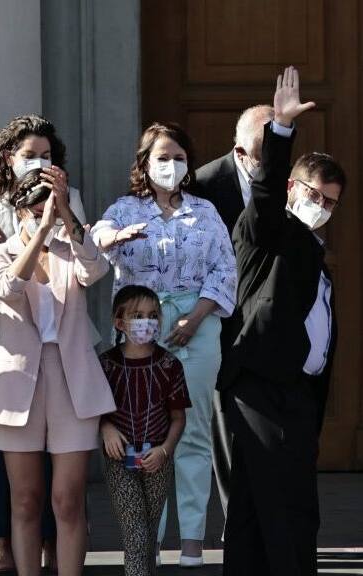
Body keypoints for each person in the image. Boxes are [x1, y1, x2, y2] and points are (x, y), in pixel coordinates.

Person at [92, 122, 236, 567]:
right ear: (144, 163)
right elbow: (95, 241)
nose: (170, 165)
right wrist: (112, 238)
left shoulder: (205, 212)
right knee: (142, 429)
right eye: (161, 157)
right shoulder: (123, 209)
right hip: (141, 325)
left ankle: (192, 539)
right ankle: (146, 540)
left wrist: (195, 318)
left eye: (177, 157)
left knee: (190, 432)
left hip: (197, 324)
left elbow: (225, 270)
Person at [219, 66, 342, 575]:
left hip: (296, 393)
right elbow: (266, 200)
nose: (320, 207)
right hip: (260, 389)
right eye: (313, 195)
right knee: (286, 510)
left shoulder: (315, 251)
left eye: (330, 202)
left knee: (257, 507)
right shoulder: (263, 228)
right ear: (292, 187)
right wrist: (283, 131)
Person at [0, 114, 86, 571]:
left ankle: (57, 552)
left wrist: (61, 218)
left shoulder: (68, 198)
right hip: (5, 346)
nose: (38, 161)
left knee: (65, 487)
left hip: (64, 347)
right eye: (29, 154)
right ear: (7, 158)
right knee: (14, 481)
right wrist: (15, 248)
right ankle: (6, 550)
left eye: (46, 154)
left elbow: (85, 260)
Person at [0, 169, 115, 576]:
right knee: (24, 499)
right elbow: (7, 288)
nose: (46, 218)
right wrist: (37, 236)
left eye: (51, 211)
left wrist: (68, 221)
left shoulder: (72, 246)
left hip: (71, 377)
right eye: (37, 211)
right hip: (18, 383)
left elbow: (96, 271)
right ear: (19, 211)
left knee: (68, 497)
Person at [194, 103, 274, 525]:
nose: (268, 159)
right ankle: (235, 525)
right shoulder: (205, 184)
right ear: (240, 150)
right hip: (220, 320)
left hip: (270, 323)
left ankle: (263, 523)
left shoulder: (288, 181)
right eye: (261, 150)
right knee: (224, 427)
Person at [99, 285, 191, 575]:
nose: (146, 321)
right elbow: (93, 409)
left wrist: (165, 450)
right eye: (137, 315)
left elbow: (178, 418)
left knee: (148, 534)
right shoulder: (106, 365)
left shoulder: (169, 365)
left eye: (152, 315)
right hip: (119, 461)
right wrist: (106, 427)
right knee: (135, 530)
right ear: (119, 322)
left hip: (157, 461)